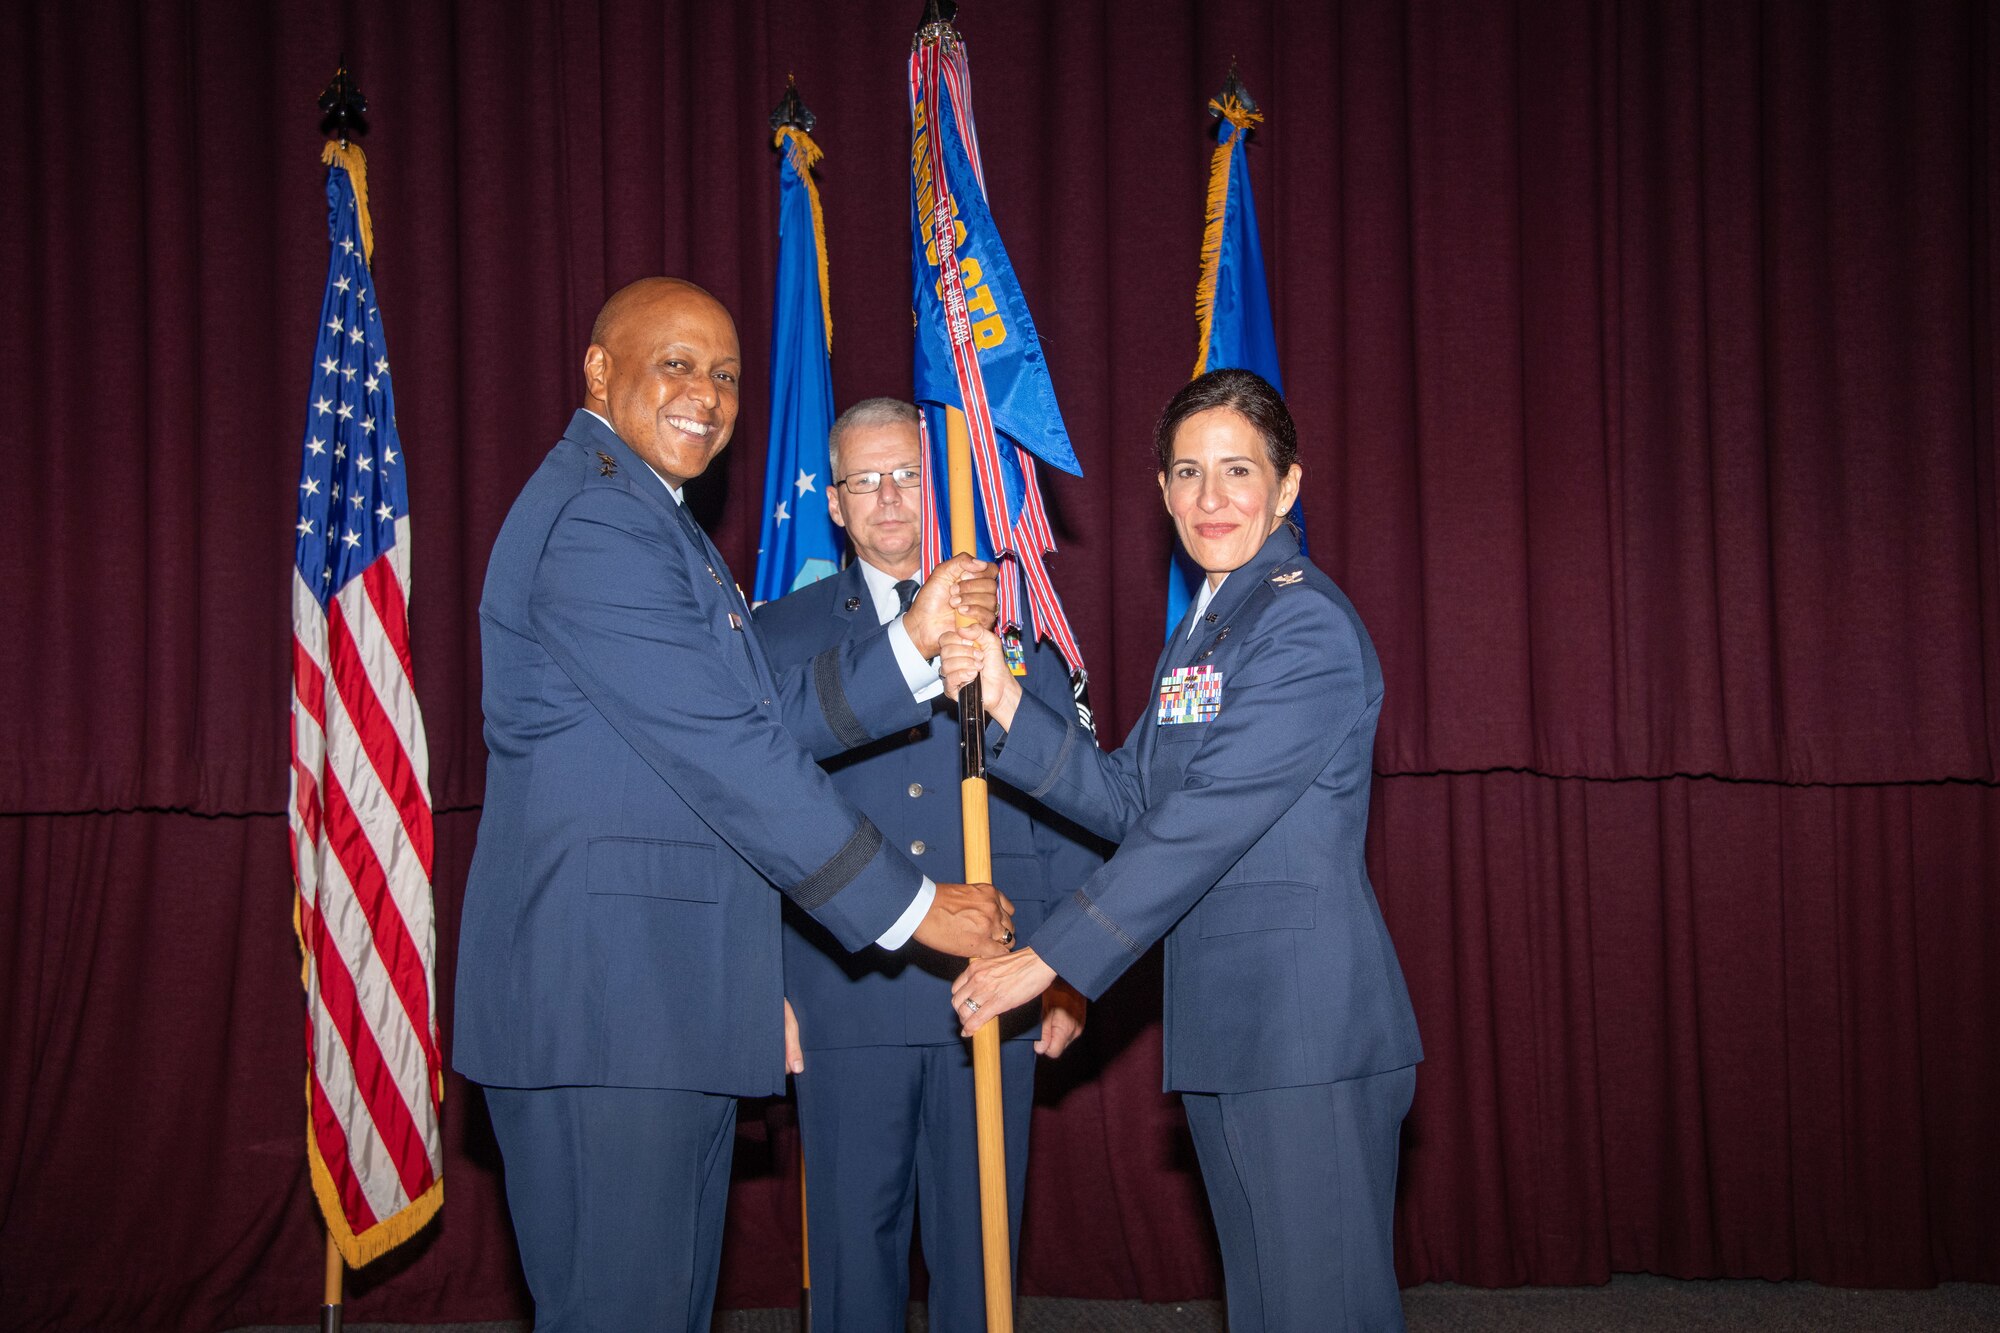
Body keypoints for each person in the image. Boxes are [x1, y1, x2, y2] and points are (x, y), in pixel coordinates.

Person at [454, 277, 1017, 1333]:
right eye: (674, 363)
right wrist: (912, 908)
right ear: (597, 370)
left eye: (724, 375)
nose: (705, 396)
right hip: (607, 1011)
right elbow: (729, 753)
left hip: (655, 1010)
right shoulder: (598, 522)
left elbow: (749, 711)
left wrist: (907, 643)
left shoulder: (643, 515)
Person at [943, 368, 1423, 1332]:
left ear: (1289, 487)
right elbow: (1131, 798)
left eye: (1238, 471)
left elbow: (1203, 822)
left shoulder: (1302, 624)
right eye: (1188, 472)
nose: (1211, 498)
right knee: (1269, 1310)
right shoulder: (1207, 627)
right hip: (1231, 1029)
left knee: (1319, 1311)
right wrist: (1003, 698)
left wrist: (1047, 960)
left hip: (1304, 1035)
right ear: (1161, 492)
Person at [754, 397, 1103, 1331]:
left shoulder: (1020, 625)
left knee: (982, 1263)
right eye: (864, 480)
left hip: (992, 982)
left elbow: (1067, 799)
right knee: (849, 1265)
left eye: (908, 473)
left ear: (938, 482)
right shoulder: (777, 636)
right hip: (838, 991)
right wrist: (763, 984)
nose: (890, 499)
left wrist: (1071, 965)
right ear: (832, 502)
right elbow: (746, 819)